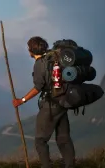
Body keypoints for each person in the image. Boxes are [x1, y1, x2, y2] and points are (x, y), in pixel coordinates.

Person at [12, 36, 76, 168]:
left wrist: (21, 100)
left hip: (50, 105)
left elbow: (38, 87)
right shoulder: (55, 58)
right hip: (63, 102)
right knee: (63, 139)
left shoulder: (40, 64)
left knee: (40, 140)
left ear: (31, 50)